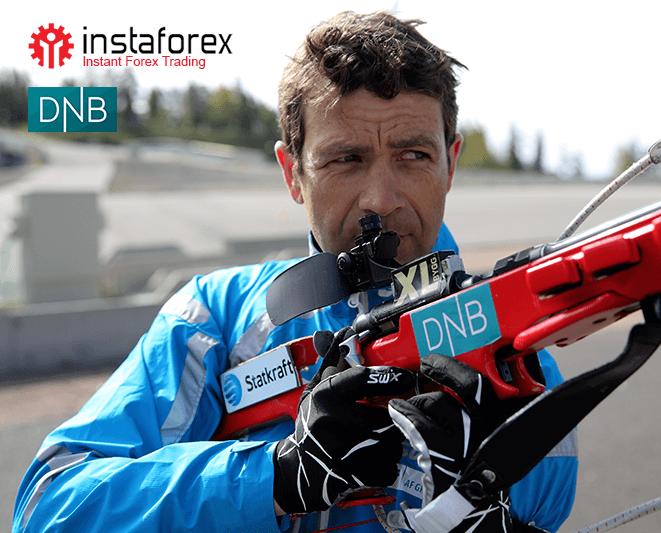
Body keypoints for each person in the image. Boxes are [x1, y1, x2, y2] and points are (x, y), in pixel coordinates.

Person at [14, 11, 577, 533]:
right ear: (293, 173)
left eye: (413, 155)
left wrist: (483, 495)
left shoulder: (515, 352)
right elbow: (47, 507)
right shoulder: (215, 318)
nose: (380, 198)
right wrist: (277, 478)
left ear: (450, 164)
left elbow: (547, 509)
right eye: (346, 159)